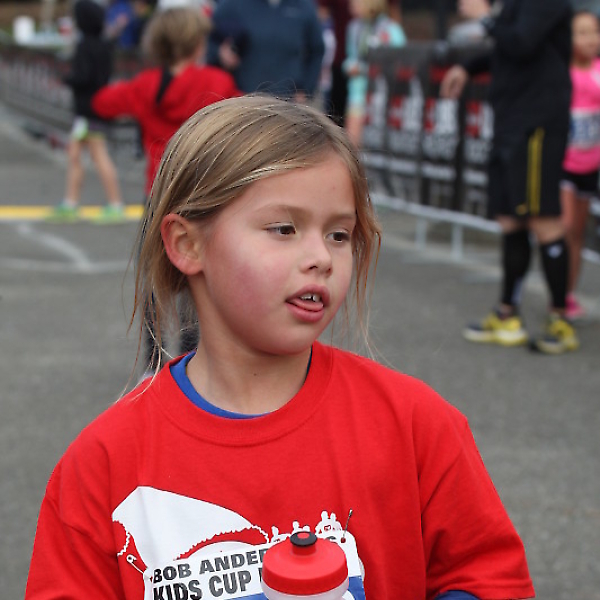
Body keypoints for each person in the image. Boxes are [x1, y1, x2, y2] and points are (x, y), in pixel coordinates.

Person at [26, 95, 535, 600]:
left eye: (339, 234)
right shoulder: (104, 464)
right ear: (186, 243)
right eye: (284, 229)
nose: (321, 257)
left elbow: (489, 578)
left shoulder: (415, 424)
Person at [92, 6, 240, 373]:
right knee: (197, 279)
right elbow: (247, 112)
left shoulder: (145, 85)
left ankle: (152, 361)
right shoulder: (217, 81)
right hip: (200, 191)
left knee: (154, 281)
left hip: (158, 192)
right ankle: (191, 360)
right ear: (198, 43)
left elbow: (102, 103)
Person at [440, 0, 578, 354]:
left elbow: (521, 42)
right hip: (509, 122)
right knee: (510, 220)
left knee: (543, 220)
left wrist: (484, 17)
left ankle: (560, 320)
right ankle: (507, 314)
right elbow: (508, 49)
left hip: (536, 125)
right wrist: (468, 66)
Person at [48, 0, 124, 224]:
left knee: (97, 155)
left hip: (87, 111)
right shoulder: (104, 45)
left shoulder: (84, 46)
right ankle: (71, 202)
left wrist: (65, 79)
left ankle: (114, 204)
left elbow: (82, 77)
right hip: (98, 108)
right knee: (75, 154)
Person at [560, 10, 600, 321]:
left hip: (591, 165)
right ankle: (558, 294)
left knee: (577, 233)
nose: (590, 39)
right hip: (564, 164)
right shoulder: (562, 72)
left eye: (594, 32)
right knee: (565, 226)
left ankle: (568, 294)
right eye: (582, 33)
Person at [207, 0, 325, 101]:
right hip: (242, 97)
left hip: (286, 101)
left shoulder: (304, 6)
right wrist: (219, 53)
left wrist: (307, 89)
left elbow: (317, 50)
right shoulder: (232, 4)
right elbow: (207, 37)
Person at [343, 0, 406, 146]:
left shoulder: (391, 29)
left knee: (380, 144)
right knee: (352, 142)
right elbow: (350, 57)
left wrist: (363, 69)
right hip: (358, 94)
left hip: (383, 97)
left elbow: (401, 62)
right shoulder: (353, 27)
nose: (352, 4)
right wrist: (349, 67)